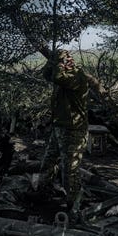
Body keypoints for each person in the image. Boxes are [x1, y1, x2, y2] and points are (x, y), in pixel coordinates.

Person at [42, 49, 89, 215]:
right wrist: (53, 61)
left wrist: (59, 63)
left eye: (69, 59)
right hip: (59, 127)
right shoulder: (62, 73)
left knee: (70, 170)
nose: (67, 62)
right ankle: (43, 193)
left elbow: (57, 77)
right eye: (64, 60)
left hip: (73, 129)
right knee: (49, 161)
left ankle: (74, 205)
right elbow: (47, 74)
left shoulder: (78, 76)